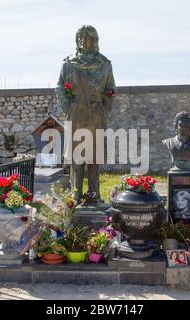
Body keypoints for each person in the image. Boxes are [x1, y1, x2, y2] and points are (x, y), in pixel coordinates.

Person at [55, 25, 116, 204]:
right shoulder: (68, 64)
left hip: (96, 114)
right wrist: (68, 107)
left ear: (95, 40)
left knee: (94, 157)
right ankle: (75, 194)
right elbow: (59, 86)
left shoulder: (104, 64)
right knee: (76, 157)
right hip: (76, 113)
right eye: (81, 38)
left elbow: (111, 89)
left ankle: (94, 194)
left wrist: (104, 109)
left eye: (88, 38)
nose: (84, 41)